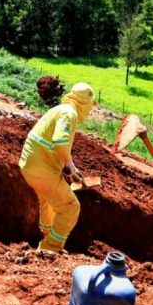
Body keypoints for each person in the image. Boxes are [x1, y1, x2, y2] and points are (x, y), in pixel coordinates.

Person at [18, 83, 96, 252]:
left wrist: (66, 168)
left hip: (30, 165)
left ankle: (47, 234)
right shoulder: (69, 114)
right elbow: (60, 142)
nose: (90, 111)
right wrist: (71, 167)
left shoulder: (61, 109)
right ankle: (50, 249)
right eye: (91, 106)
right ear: (85, 103)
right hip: (42, 169)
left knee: (47, 200)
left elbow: (50, 144)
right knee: (70, 207)